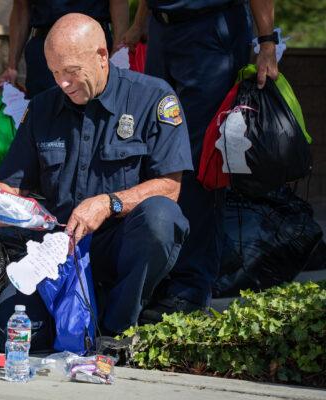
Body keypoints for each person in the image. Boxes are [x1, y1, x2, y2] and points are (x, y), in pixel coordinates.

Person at [0, 13, 193, 334]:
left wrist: (108, 203)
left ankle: (118, 329)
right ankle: (80, 314)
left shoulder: (153, 97)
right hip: (59, 249)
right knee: (12, 329)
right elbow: (12, 183)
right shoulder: (43, 108)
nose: (63, 83)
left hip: (120, 244)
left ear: (102, 56)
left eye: (72, 72)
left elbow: (169, 187)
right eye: (55, 72)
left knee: (161, 217)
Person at [118, 0, 279, 322]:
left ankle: (190, 289)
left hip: (210, 30)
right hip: (162, 30)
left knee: (194, 161)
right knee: (156, 151)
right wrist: (139, 23)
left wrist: (267, 42)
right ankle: (162, 276)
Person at [0, 0, 129, 98]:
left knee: (93, 113)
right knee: (44, 117)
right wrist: (12, 66)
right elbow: (20, 6)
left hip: (90, 43)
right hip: (43, 50)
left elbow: (118, 2)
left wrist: (118, 51)